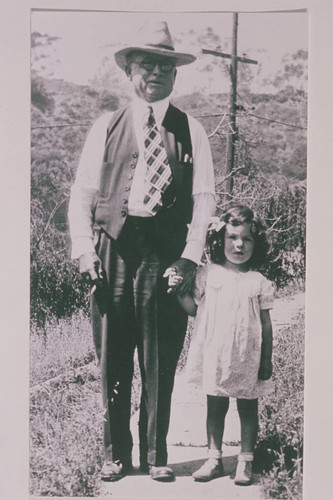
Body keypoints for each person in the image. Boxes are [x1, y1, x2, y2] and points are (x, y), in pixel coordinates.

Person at [68, 20, 215, 482]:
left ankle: (156, 455)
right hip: (111, 250)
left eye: (165, 65)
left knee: (159, 355)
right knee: (112, 353)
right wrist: (83, 250)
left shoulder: (190, 130)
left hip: (164, 254)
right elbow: (83, 193)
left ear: (176, 75)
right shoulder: (105, 126)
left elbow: (205, 199)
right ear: (130, 70)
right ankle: (115, 453)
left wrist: (189, 256)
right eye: (146, 63)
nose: (156, 72)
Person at [165, 205, 274, 485]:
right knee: (215, 406)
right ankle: (213, 457)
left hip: (247, 358)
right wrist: (179, 291)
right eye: (232, 238)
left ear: (256, 242)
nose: (239, 245)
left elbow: (265, 325)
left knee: (248, 408)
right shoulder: (207, 274)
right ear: (219, 240)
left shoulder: (258, 282)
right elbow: (192, 309)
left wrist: (266, 360)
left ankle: (245, 460)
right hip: (215, 355)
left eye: (246, 239)